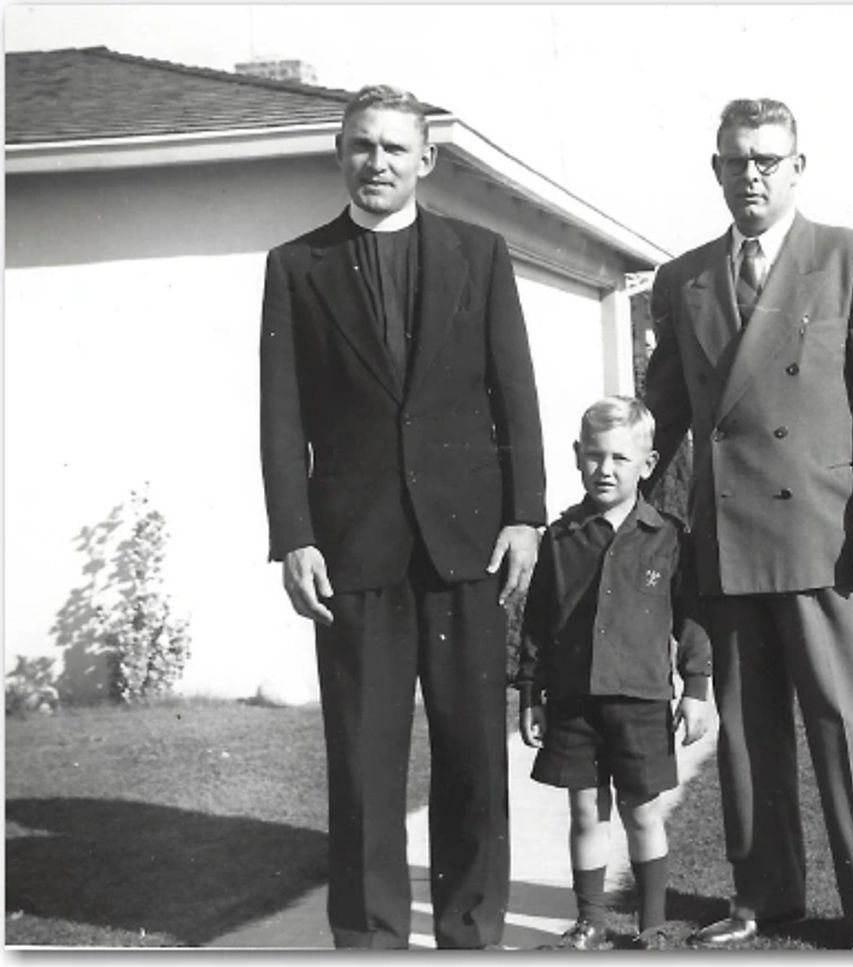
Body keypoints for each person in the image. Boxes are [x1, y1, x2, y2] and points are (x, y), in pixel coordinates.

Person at [259, 85, 546, 949]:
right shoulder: (296, 266)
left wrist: (525, 515)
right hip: (354, 549)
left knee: (474, 759)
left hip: (466, 544)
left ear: (427, 159)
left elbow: (515, 391)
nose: (376, 162)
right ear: (339, 154)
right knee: (362, 762)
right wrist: (294, 536)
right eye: (361, 145)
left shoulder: (480, 254)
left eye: (393, 147)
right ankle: (370, 940)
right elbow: (281, 417)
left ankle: (471, 934)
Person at [642, 97, 853, 950]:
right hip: (729, 539)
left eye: (768, 159)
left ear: (799, 167)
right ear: (716, 169)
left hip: (830, 539)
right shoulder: (681, 279)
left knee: (848, 732)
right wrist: (638, 512)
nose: (752, 175)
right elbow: (666, 413)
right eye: (736, 160)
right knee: (747, 737)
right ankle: (766, 897)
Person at [515, 397, 713, 951]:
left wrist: (696, 688)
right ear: (577, 455)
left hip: (641, 701)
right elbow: (538, 623)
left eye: (620, 458)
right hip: (574, 702)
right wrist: (530, 692)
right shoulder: (560, 538)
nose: (605, 469)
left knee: (642, 812)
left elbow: (692, 620)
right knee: (585, 812)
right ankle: (591, 922)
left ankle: (652, 926)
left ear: (647, 465)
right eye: (594, 455)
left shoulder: (668, 537)